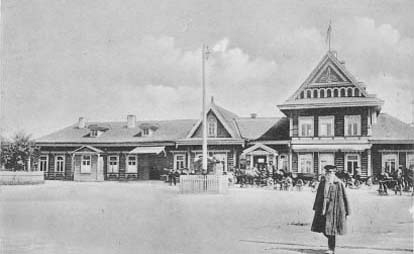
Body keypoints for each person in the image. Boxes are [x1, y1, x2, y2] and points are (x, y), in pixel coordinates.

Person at [311, 165, 350, 254]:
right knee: (323, 228)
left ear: (334, 173)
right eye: (327, 173)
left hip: (334, 209)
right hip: (323, 207)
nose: (328, 175)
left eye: (331, 173)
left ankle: (331, 249)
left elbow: (344, 197)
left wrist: (347, 210)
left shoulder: (338, 183)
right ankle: (331, 244)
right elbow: (318, 195)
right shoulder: (323, 182)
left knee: (331, 229)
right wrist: (316, 206)